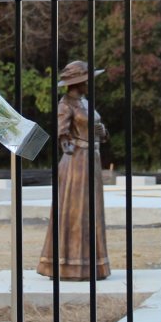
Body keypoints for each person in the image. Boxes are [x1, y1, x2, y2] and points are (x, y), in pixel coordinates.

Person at [37, 60, 111, 281]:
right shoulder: (65, 105)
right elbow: (62, 136)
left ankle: (93, 264)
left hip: (93, 160)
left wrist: (102, 131)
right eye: (87, 79)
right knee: (75, 212)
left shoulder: (86, 103)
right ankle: (69, 264)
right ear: (78, 82)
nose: (90, 82)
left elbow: (99, 131)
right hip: (77, 162)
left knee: (92, 210)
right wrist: (71, 145)